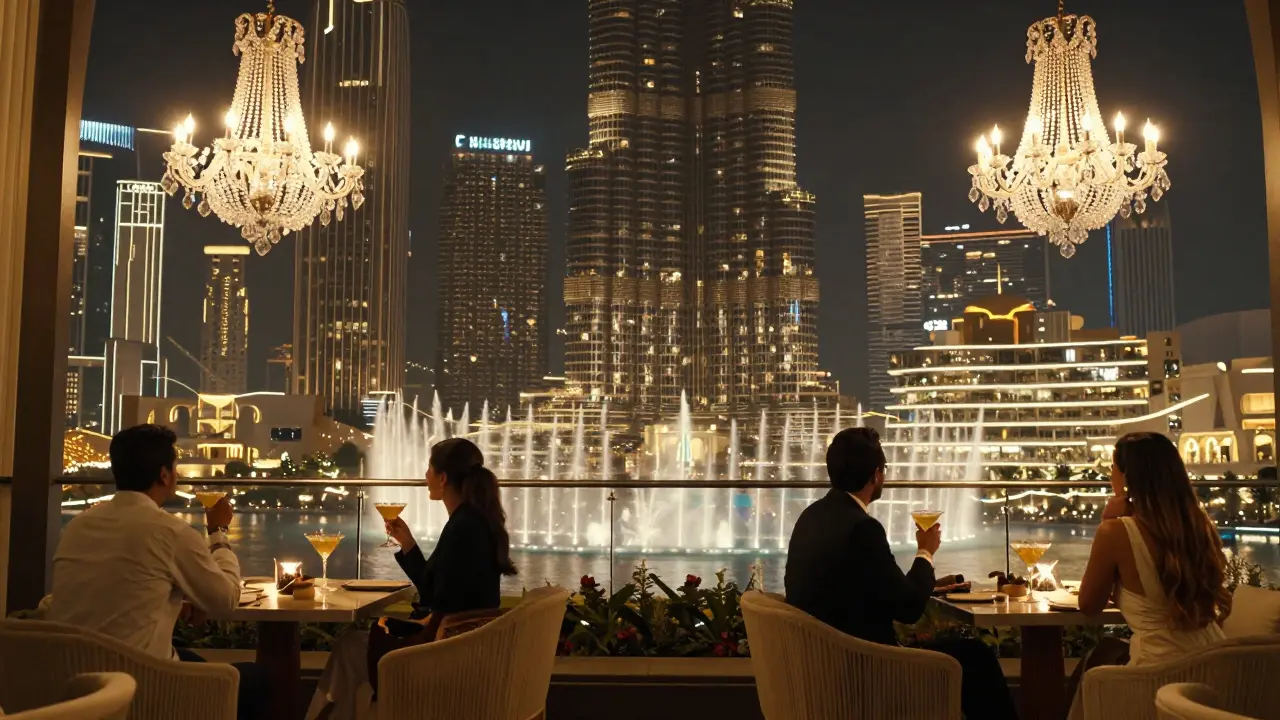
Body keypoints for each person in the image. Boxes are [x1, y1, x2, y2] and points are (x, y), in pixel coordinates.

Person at [785, 427, 1019, 720]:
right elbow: (908, 608)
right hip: (867, 670)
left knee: (969, 656)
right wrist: (926, 552)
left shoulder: (811, 517)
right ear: (877, 475)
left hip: (821, 665)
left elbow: (861, 588)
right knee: (976, 656)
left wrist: (918, 582)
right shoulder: (863, 528)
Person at [48, 424, 266, 720]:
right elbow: (226, 601)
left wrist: (174, 600)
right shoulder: (170, 531)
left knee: (192, 659)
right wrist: (218, 532)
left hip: (74, 686)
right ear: (164, 474)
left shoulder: (77, 527)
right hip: (142, 687)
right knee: (256, 679)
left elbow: (119, 587)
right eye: (176, 466)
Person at [306, 437, 517, 720]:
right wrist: (408, 544)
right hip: (464, 646)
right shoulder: (474, 521)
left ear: (442, 478)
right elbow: (439, 591)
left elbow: (437, 600)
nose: (425, 476)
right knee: (355, 646)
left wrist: (416, 623)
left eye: (429, 469)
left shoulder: (462, 528)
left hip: (442, 656)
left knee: (349, 646)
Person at [1067, 432, 1230, 715]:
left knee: (1092, 668)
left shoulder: (1115, 531)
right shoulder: (1198, 525)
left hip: (1157, 675)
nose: (1110, 478)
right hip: (1215, 666)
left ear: (1127, 477)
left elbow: (1089, 605)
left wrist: (1108, 519)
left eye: (1112, 471)